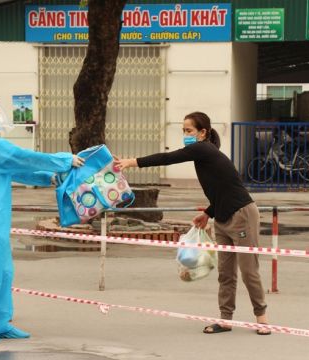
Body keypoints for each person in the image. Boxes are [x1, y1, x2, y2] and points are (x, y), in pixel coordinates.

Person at [115, 111, 271, 335]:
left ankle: (262, 318)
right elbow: (221, 190)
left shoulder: (203, 149)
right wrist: (208, 213)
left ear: (202, 133)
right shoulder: (204, 155)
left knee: (249, 271)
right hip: (222, 216)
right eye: (183, 131)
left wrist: (132, 162)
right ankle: (226, 319)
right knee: (226, 273)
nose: (185, 135)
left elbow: (168, 158)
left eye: (189, 131)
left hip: (242, 215)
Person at [0, 96, 84, 345]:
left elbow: (17, 170)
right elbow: (23, 156)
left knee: (3, 273)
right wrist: (64, 161)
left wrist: (50, 178)